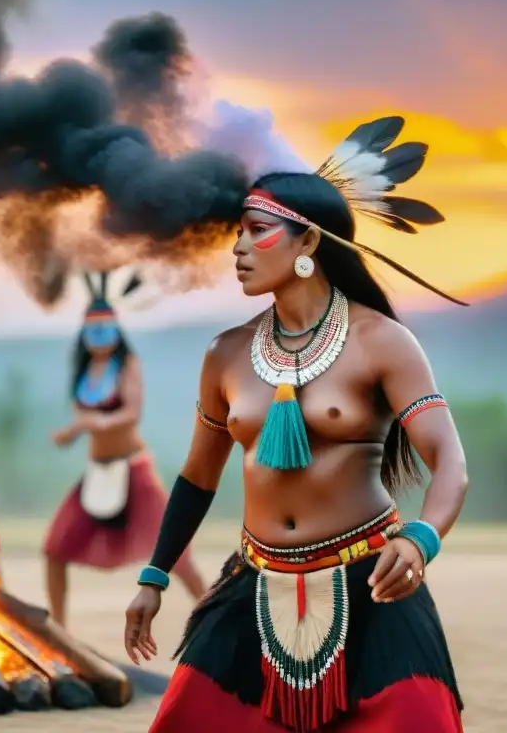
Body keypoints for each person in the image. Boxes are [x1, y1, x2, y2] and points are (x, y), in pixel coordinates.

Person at [123, 116, 469, 732]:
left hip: (371, 581)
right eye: (236, 232)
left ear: (307, 244)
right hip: (252, 583)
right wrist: (154, 575)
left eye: (256, 232)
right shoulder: (226, 354)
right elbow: (198, 478)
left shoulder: (382, 342)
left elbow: (450, 463)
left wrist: (420, 539)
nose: (236, 248)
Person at [43, 269, 206, 625]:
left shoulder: (128, 365)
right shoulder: (83, 372)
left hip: (134, 470)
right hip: (97, 473)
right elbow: (83, 418)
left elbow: (131, 413)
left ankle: (215, 621)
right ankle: (59, 630)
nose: (99, 337)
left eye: (105, 328)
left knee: (177, 556)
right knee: (54, 548)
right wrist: (73, 433)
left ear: (117, 329)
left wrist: (91, 424)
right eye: (92, 329)